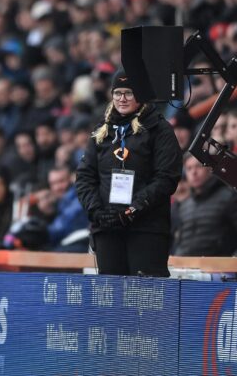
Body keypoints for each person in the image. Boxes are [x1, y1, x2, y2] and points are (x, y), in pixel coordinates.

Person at [75, 69, 181, 276]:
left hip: (146, 228)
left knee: (146, 298)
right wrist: (97, 211)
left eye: (129, 93)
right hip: (107, 228)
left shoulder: (160, 129)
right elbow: (84, 177)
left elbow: (167, 178)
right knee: (112, 298)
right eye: (117, 93)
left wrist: (132, 210)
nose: (122, 99)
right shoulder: (101, 130)